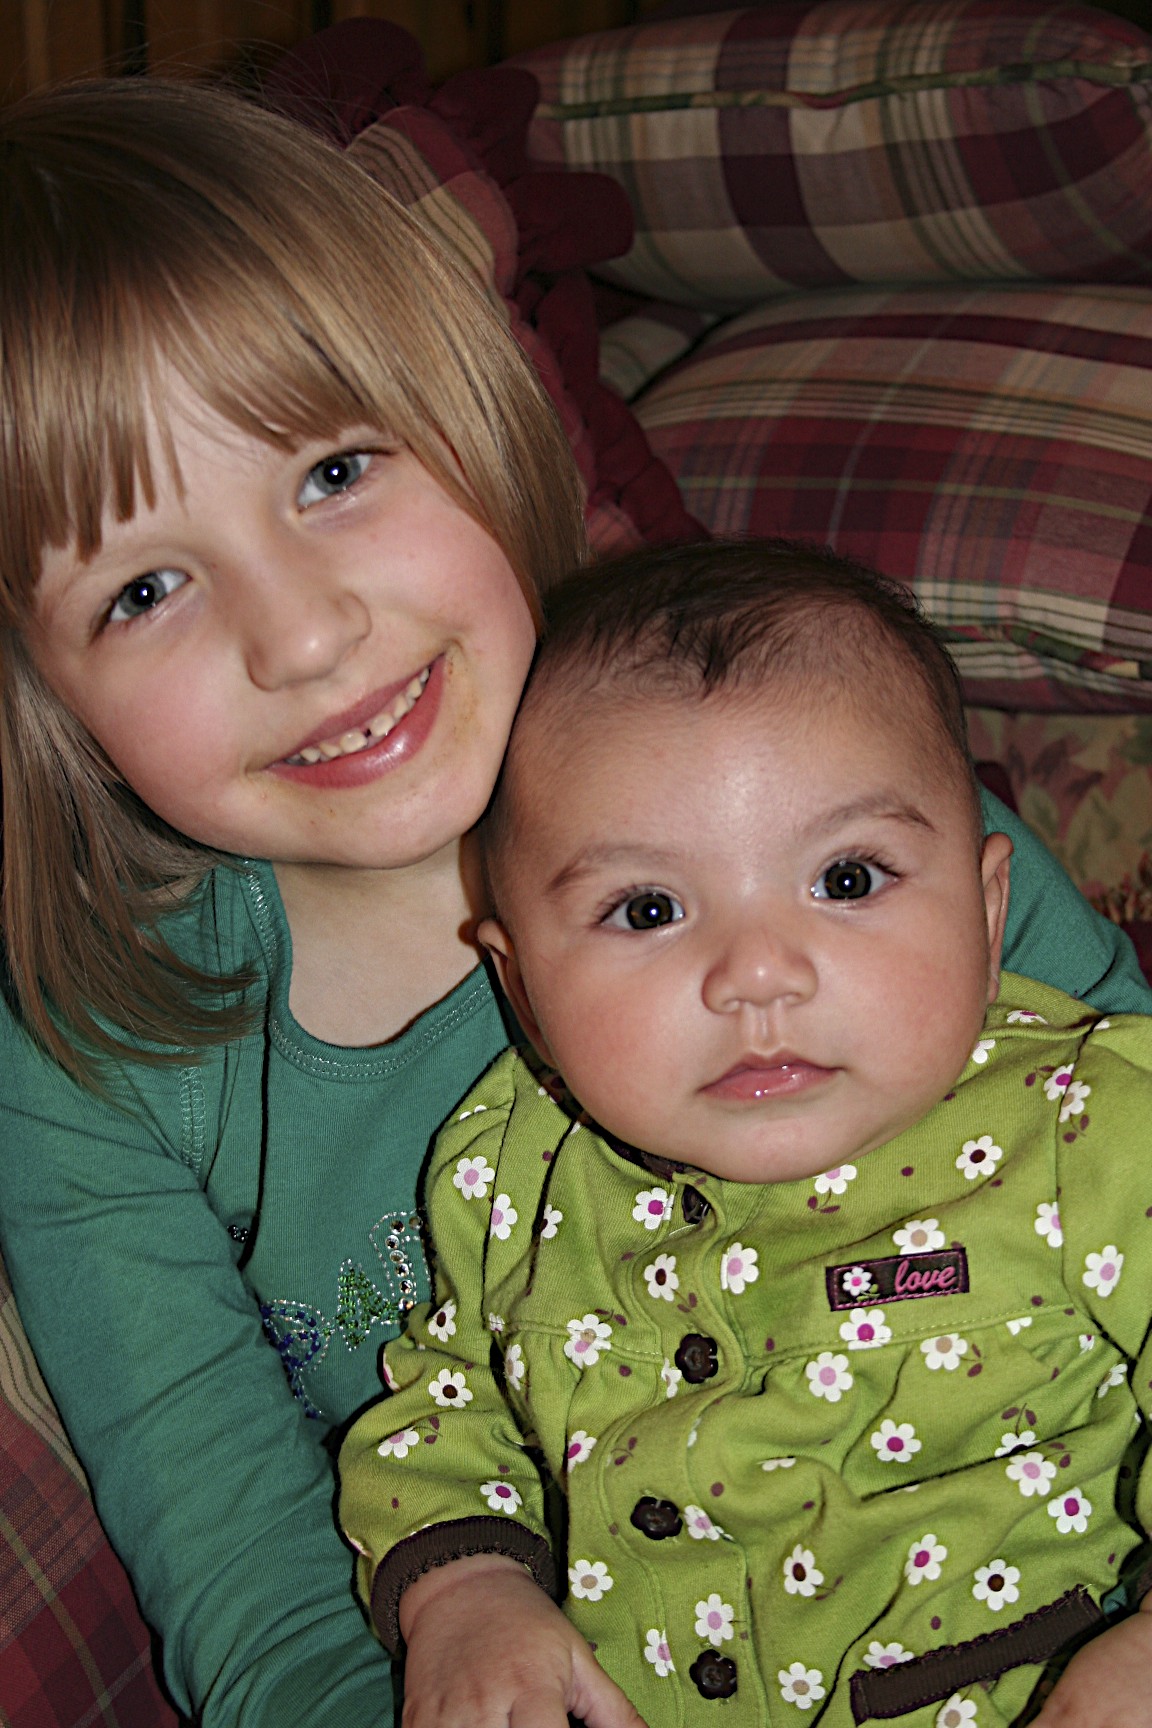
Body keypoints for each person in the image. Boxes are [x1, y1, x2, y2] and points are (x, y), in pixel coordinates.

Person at [340, 540, 1152, 1728]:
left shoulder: (1092, 1122)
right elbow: (449, 1406)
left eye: (847, 879)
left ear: (988, 917)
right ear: (523, 991)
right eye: (649, 909)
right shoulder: (511, 1174)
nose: (758, 973)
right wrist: (466, 1591)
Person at [0, 76, 584, 1727]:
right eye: (144, 589)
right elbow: (250, 1599)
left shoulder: (809, 790)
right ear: (45, 705)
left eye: (333, 470)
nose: (304, 636)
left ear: (472, 411)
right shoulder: (90, 1057)